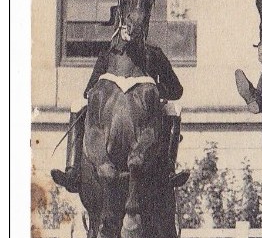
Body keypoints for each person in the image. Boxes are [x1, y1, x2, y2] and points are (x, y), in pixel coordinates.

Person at [51, 32, 189, 193]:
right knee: (77, 105)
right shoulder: (109, 54)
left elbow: (176, 90)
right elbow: (88, 90)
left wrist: (156, 93)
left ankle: (169, 171)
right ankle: (72, 171)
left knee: (174, 109)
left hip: (148, 117)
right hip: (110, 117)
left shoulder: (155, 54)